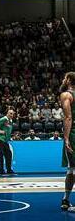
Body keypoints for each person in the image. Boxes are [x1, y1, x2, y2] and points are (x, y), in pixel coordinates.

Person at [60, 72, 75, 212]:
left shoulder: (66, 95)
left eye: (65, 78)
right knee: (71, 169)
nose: (63, 80)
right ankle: (65, 199)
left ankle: (67, 199)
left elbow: (68, 118)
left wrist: (66, 138)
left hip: (73, 134)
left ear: (69, 80)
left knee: (72, 168)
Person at [0, 109, 16, 176]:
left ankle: (9, 170)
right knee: (0, 155)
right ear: (7, 114)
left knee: (9, 154)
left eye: (12, 114)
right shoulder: (5, 118)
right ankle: (1, 172)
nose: (12, 115)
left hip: (5, 140)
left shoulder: (10, 120)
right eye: (10, 113)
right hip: (0, 139)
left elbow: (7, 129)